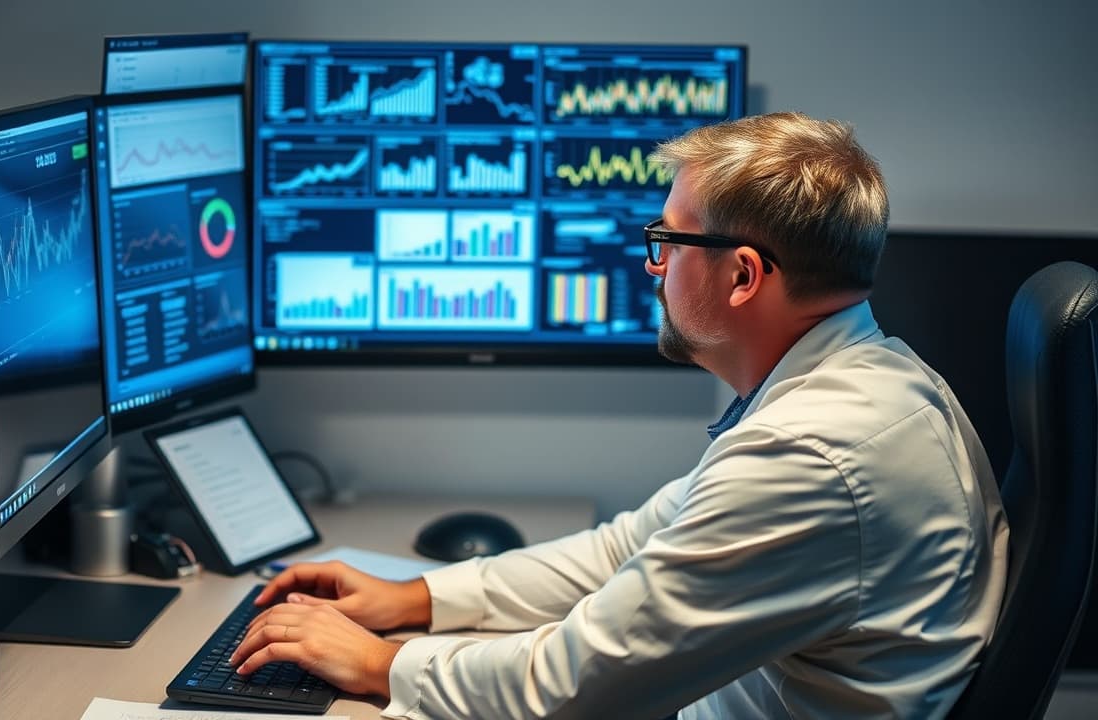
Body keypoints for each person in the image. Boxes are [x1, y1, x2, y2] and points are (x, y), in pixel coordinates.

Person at [229, 112, 1010, 719]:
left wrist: (378, 663)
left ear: (742, 276)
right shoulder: (865, 379)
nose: (653, 265)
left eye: (667, 241)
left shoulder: (812, 454)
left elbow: (575, 692)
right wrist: (418, 600)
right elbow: (632, 546)